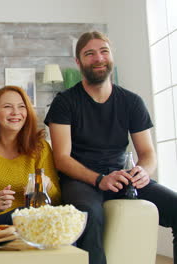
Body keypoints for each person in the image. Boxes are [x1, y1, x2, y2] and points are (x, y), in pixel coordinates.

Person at [44, 31, 177, 264]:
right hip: (81, 179)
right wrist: (99, 179)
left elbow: (147, 154)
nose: (98, 58)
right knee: (89, 215)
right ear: (79, 62)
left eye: (104, 51)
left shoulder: (132, 102)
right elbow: (62, 159)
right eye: (89, 53)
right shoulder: (64, 102)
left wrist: (143, 170)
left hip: (122, 177)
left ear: (111, 56)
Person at [0, 86, 61, 225]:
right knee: (23, 214)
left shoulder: (40, 148)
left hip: (36, 222)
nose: (16, 112)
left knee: (56, 220)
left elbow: (57, 201)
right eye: (7, 106)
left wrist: (47, 186)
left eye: (21, 107)